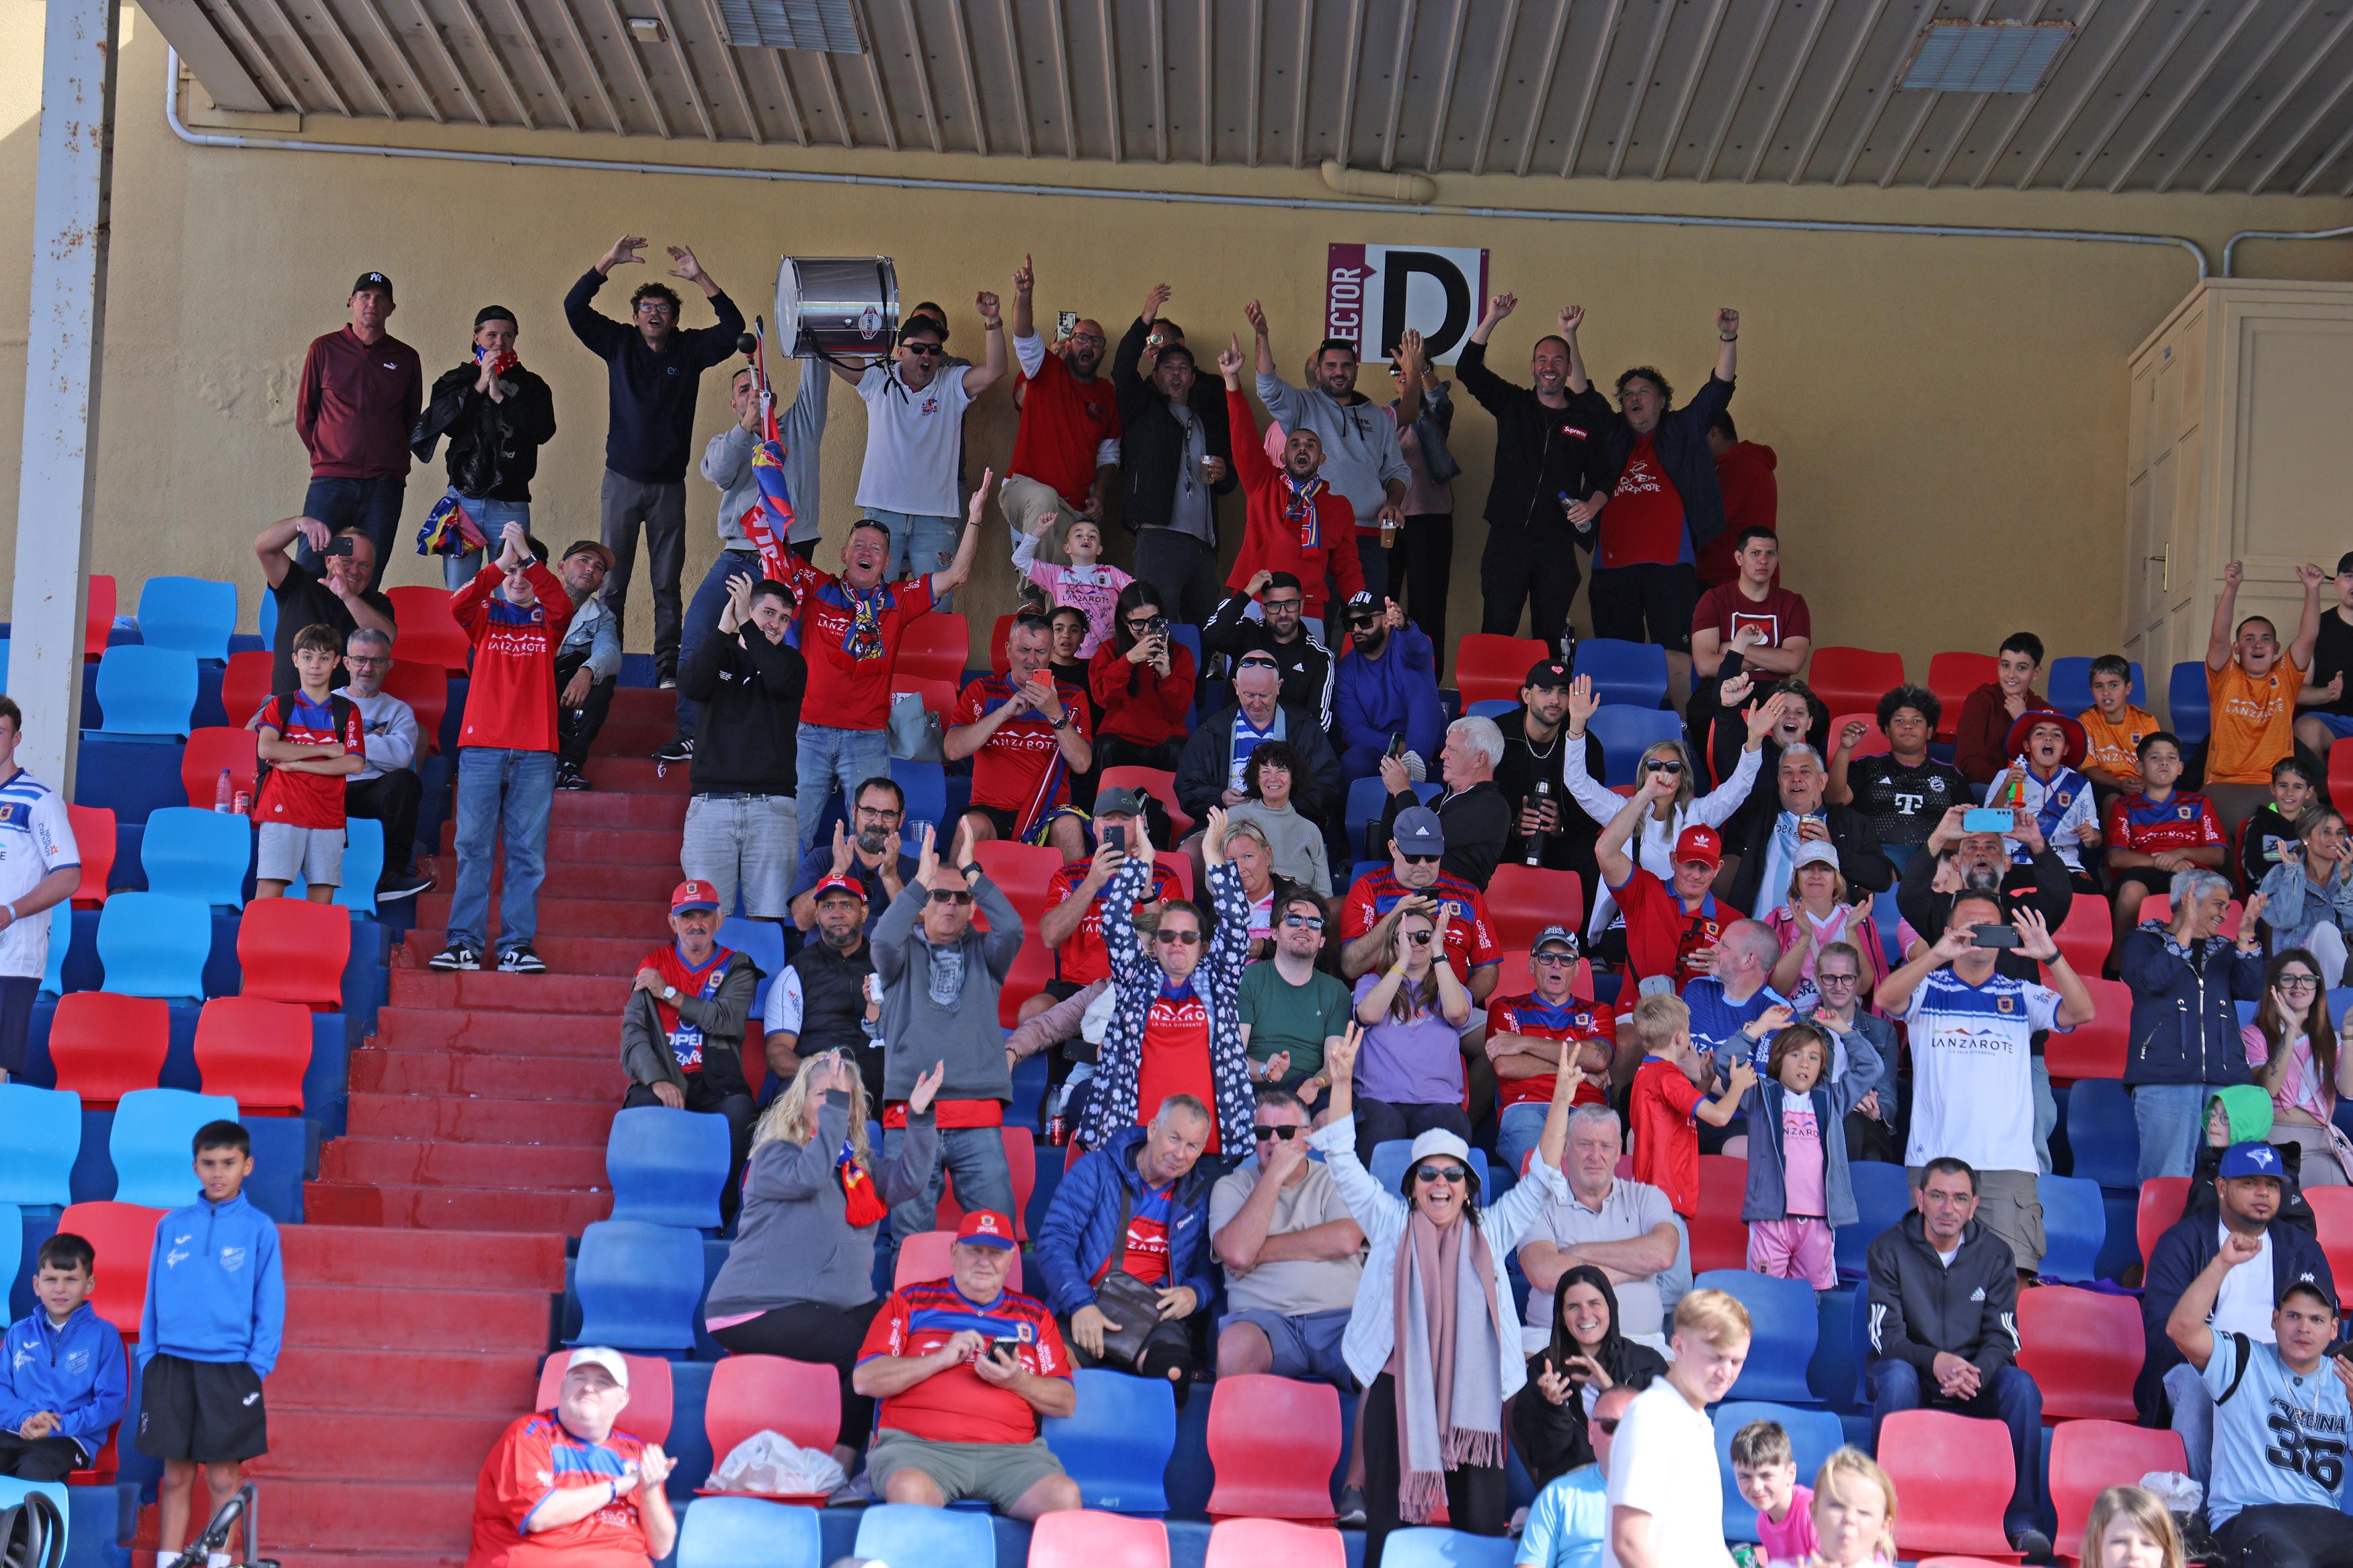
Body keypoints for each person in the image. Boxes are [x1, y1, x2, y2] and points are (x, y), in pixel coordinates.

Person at [1311, 1018, 1581, 1567]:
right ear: (1412, 1185)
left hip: (1473, 1393)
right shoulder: (1390, 1222)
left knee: (1479, 1528)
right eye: (1429, 1174)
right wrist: (1341, 1084)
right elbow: (1342, 1161)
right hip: (1397, 1387)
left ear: (1468, 1187)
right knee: (1389, 1531)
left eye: (1453, 1175)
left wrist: (1561, 1101)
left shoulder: (1493, 1230)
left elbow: (1543, 1174)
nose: (1441, 1183)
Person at [705, 1051, 943, 1475]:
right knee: (864, 1354)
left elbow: (910, 1180)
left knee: (901, 1341)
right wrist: (835, 1112)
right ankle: (839, 1470)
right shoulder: (774, 1156)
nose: (835, 1104)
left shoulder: (856, 1169)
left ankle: (900, 1457)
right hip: (754, 1307)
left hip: (828, 1305)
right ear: (801, 1102)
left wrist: (921, 1118)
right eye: (825, 1095)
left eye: (844, 1097)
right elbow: (810, 1175)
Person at [1876, 895, 2091, 1272]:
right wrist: (1936, 955)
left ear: (2004, 935)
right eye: (1969, 925)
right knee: (1930, 1279)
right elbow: (1885, 999)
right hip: (1935, 1163)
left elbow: (2082, 1012)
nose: (1979, 933)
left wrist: (2052, 956)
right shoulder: (1926, 988)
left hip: (2007, 1166)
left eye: (1989, 926)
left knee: (2011, 1279)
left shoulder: (2021, 993)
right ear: (1950, 931)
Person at [565, 235, 744, 685]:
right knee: (612, 584)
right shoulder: (619, 342)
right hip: (621, 482)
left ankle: (667, 671)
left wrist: (700, 277)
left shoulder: (689, 350)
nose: (654, 313)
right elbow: (574, 308)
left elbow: (733, 329)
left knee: (666, 585)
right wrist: (608, 261)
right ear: (635, 316)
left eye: (662, 308)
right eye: (646, 307)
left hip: (668, 486)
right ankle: (606, 668)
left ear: (674, 318)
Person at [782, 483, 986, 856]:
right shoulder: (817, 587)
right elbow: (775, 552)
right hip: (809, 733)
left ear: (887, 563)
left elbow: (957, 574)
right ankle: (794, 896)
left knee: (873, 841)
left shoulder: (898, 598)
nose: (866, 552)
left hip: (866, 738)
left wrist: (974, 519)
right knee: (792, 835)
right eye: (859, 545)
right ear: (844, 554)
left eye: (876, 549)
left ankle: (867, 896)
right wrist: (767, 476)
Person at [1862, 1156, 2048, 1557]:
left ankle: (2022, 1522)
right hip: (1913, 1374)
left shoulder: (1996, 1254)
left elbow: (2003, 1336)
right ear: (1920, 1199)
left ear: (1974, 1205)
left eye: (1960, 1198)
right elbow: (1885, 1337)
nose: (1949, 1208)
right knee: (1895, 1377)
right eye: (1938, 1196)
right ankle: (1883, 1516)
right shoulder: (1887, 1249)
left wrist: (1973, 1372)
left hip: (1972, 1381)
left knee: (2021, 1387)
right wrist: (1935, 1362)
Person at [850, 1210, 1080, 1519]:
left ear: (1010, 1259)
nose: (984, 1262)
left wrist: (1018, 1381)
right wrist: (938, 1359)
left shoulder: (1035, 1315)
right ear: (954, 1252)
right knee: (909, 1489)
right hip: (920, 1450)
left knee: (1064, 1496)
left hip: (1012, 1457)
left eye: (995, 1253)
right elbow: (864, 1380)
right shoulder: (911, 1301)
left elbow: (1066, 1402)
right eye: (975, 1251)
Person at [2139, 1137, 2336, 1482]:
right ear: (2221, 1187)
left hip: (2283, 1369)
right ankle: (2201, 1507)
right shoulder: (2182, 1243)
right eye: (2250, 1183)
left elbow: (2327, 1329)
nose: (2263, 1193)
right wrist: (2229, 1365)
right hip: (2202, 1368)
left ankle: (2312, 1506)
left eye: (2272, 1185)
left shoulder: (2301, 1247)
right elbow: (2162, 1334)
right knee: (2196, 1386)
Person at [664, 354, 828, 761]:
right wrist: (746, 427)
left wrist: (808, 335)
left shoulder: (798, 427)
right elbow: (719, 474)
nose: (754, 394)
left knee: (795, 646)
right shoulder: (725, 443)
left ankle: (799, 738)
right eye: (745, 390)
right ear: (734, 403)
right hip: (739, 556)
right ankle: (690, 731)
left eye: (761, 387)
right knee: (698, 630)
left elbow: (816, 381)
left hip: (790, 559)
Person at [137, 1121, 286, 1567]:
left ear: (247, 1166)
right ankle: (168, 1563)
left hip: (230, 1369)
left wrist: (255, 1366)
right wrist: (149, 1356)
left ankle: (218, 1564)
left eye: (228, 1163)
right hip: (171, 1365)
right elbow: (152, 1296)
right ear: (195, 1167)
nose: (218, 1173)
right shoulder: (171, 1224)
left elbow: (270, 1303)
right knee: (176, 1474)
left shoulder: (260, 1229)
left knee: (223, 1478)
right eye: (208, 1163)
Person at [1893, 805, 2075, 1167]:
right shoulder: (1943, 912)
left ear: (2007, 863)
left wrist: (2038, 845)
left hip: (2022, 1052)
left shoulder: (2024, 913)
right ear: (1957, 863)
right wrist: (1940, 836)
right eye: (1971, 847)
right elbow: (1909, 895)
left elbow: (2059, 896)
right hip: (1952, 1048)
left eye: (1991, 848)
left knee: (2030, 1154)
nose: (1981, 853)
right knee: (1950, 1156)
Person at [2164, 1221, 2353, 1564]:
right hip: (2250, 1515)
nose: (2304, 1328)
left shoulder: (2345, 1379)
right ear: (2275, 1320)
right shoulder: (2243, 1359)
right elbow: (2181, 1330)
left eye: (2316, 1319)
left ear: (2333, 1329)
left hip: (2324, 1520)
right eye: (2293, 1316)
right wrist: (2222, 1264)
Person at [430, 523, 573, 975]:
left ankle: (516, 945)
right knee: (473, 848)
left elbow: (563, 604)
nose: (518, 578)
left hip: (536, 750)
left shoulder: (548, 619)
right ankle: (464, 943)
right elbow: (457, 603)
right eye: (511, 572)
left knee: (527, 853)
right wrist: (500, 564)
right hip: (481, 748)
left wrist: (527, 557)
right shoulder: (485, 614)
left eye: (526, 570)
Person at [1074, 808, 1257, 1157]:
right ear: (1154, 943)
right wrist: (1142, 861)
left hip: (1209, 1146)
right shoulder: (1136, 977)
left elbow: (1236, 920)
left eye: (1188, 937)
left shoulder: (1219, 979)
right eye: (1168, 934)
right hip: (1137, 1145)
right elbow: (1114, 918)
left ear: (1203, 946)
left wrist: (1212, 854)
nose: (1177, 942)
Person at [871, 823, 1023, 1239]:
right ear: (924, 904)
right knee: (910, 1240)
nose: (951, 903)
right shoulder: (900, 954)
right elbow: (881, 941)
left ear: (973, 909)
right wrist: (920, 881)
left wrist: (972, 870)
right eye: (940, 895)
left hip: (977, 1113)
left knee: (996, 1238)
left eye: (962, 897)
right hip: (910, 1114)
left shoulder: (987, 953)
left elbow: (1012, 929)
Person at [1585, 313, 1742, 684]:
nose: (1634, 399)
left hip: (1671, 567)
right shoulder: (1613, 434)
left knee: (1676, 654)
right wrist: (1569, 334)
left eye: (1643, 392)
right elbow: (1581, 393)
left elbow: (1719, 388)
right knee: (1616, 655)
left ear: (1662, 400)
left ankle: (1681, 720)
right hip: (1612, 566)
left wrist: (1728, 338)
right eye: (1627, 395)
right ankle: (1617, 718)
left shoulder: (1682, 430)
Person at [1454, 294, 1612, 650]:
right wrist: (1492, 317)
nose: (1549, 366)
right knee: (1496, 632)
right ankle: (1491, 691)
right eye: (1542, 359)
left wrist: (1593, 505)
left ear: (1569, 369)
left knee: (1549, 639)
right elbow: (1467, 370)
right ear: (1532, 367)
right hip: (1506, 539)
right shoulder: (1513, 404)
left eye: (1558, 360)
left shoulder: (1585, 420)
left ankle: (1548, 688)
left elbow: (1603, 477)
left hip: (1556, 544)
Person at [1566, 675, 1772, 940]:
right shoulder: (1623, 811)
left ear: (1683, 777)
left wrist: (1754, 739)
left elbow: (1739, 788)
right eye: (1654, 766)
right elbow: (1577, 783)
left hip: (1680, 918)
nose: (1662, 773)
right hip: (1631, 917)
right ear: (1643, 773)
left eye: (1672, 767)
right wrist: (1577, 725)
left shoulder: (1698, 813)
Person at [834, 296, 1007, 609]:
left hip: (935, 518)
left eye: (934, 349)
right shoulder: (879, 377)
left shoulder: (951, 382)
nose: (926, 355)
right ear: (900, 351)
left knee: (936, 610)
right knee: (873, 605)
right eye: (918, 348)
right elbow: (836, 357)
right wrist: (843, 317)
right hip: (883, 512)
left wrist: (993, 320)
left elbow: (996, 370)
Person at [1036, 1098, 1217, 1385]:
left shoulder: (1198, 1196)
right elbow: (1053, 1242)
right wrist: (1080, 1304)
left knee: (1172, 1372)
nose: (1180, 1154)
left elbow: (1208, 1269)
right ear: (1153, 1129)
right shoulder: (1097, 1169)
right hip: (1089, 1302)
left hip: (1153, 1314)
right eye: (1174, 1138)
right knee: (1052, 1371)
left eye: (1192, 1146)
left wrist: (1194, 1293)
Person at [1245, 300, 1410, 602]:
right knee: (1316, 616)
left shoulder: (1378, 417)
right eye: (1331, 366)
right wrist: (1262, 336)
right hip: (1315, 533)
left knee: (1367, 618)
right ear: (1318, 371)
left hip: (1369, 537)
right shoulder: (1302, 405)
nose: (1339, 372)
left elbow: (1397, 471)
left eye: (1346, 365)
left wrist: (1394, 502)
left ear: (1356, 371)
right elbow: (1268, 387)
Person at [1211, 1087, 1367, 1391]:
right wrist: (1273, 1176)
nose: (1273, 1141)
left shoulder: (1337, 1178)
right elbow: (1238, 1254)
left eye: (1284, 1132)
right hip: (1263, 1322)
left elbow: (1346, 1239)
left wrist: (1261, 1252)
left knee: (1388, 1353)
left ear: (1308, 1138)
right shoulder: (1232, 1186)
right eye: (1263, 1133)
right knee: (1234, 1347)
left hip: (1341, 1321)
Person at [672, 572, 807, 925]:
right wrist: (723, 629)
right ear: (746, 610)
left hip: (772, 806)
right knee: (706, 919)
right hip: (710, 805)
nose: (776, 623)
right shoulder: (719, 652)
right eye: (768, 612)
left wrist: (747, 624)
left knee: (769, 918)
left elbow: (777, 678)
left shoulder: (791, 662)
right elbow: (690, 686)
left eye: (784, 618)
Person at [466, 1348, 677, 1568]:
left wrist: (649, 1489)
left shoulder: (636, 1451)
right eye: (579, 1378)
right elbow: (538, 1516)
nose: (588, 1387)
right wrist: (618, 1487)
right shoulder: (531, 1433)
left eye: (603, 1382)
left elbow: (661, 1547)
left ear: (622, 1400)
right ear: (563, 1387)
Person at [2122, 867, 2270, 1180]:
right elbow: (2151, 980)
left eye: (2227, 906)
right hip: (2165, 1076)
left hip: (2225, 1079)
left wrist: (2246, 934)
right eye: (2218, 904)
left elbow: (2251, 989)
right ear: (2188, 899)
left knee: (2226, 1178)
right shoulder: (2142, 941)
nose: (2224, 913)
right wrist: (2185, 931)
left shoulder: (2225, 949)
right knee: (2169, 1178)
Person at [1515, 1105, 1686, 1360]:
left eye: (1606, 1146)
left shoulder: (1647, 1197)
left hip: (1640, 1343)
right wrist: (1633, 1269)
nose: (1596, 1156)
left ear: (1618, 1151)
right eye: (1585, 1144)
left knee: (1678, 1382)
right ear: (1565, 1148)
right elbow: (1543, 1271)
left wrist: (1577, 1252)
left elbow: (1663, 1254)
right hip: (1551, 1339)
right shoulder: (1536, 1202)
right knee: (1517, 1377)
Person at [619, 878, 758, 1189]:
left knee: (741, 1113)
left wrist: (668, 993)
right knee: (641, 1105)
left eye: (704, 915)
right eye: (687, 916)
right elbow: (633, 1032)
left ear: (718, 920)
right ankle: (647, 1204)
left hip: (718, 1082)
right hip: (666, 1076)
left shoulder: (737, 965)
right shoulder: (653, 964)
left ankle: (724, 1210)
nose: (696, 924)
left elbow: (726, 1021)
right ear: (673, 922)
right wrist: (656, 1080)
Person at [1218, 337, 1366, 623]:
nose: (1302, 449)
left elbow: (1347, 567)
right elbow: (1243, 438)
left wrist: (1360, 602)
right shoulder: (1264, 485)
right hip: (1256, 600)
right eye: (1295, 444)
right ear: (1283, 457)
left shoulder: (1339, 507)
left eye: (1311, 445)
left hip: (1307, 607)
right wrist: (1232, 382)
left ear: (1322, 459)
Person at [1111, 286, 1236, 623]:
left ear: (1193, 378)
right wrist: (1145, 320)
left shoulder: (1206, 419)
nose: (1177, 373)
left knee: (1204, 630)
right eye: (1168, 367)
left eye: (1183, 368)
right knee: (1157, 624)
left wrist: (1224, 472)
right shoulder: (1144, 409)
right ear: (1155, 375)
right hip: (1159, 536)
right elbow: (1122, 371)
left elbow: (1230, 479)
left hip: (1203, 542)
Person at [411, 305, 559, 589]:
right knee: (460, 592)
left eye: (507, 335)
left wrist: (501, 398)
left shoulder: (532, 385)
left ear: (515, 338)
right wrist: (479, 384)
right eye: (492, 335)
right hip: (464, 498)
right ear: (476, 337)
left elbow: (543, 431)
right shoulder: (454, 380)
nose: (499, 342)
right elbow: (446, 426)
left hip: (511, 502)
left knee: (512, 592)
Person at [1603, 1288, 1752, 1568]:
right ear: (1679, 1347)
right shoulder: (1652, 1417)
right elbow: (1629, 1542)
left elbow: (1708, 1546)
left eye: (1736, 1361)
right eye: (1715, 1357)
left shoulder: (1696, 1422)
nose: (1726, 1373)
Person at [294, 272, 420, 585]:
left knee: (365, 572)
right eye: (365, 296)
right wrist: (332, 454)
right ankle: (314, 622)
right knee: (313, 567)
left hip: (382, 486)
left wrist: (389, 460)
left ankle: (353, 622)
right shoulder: (324, 349)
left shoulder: (405, 358)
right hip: (331, 483)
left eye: (380, 298)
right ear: (351, 303)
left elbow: (410, 419)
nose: (371, 303)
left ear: (391, 308)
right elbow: (306, 415)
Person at [1740, 1022, 1882, 1288]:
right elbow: (1725, 1063)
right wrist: (1758, 1029)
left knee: (1810, 1298)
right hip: (1771, 1219)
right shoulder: (1760, 1096)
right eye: (1796, 1054)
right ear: (1777, 1058)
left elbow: (1872, 1068)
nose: (1805, 1063)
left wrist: (1843, 1030)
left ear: (1822, 1067)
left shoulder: (1832, 1099)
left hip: (1819, 1220)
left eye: (1814, 1057)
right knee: (1765, 1295)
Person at [945, 612, 1094, 860]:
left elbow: (1082, 764)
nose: (1032, 660)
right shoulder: (983, 690)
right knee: (969, 825)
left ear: (1052, 653)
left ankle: (1074, 887)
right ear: (1008, 650)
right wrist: (1004, 713)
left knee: (1069, 825)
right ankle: (950, 887)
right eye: (1023, 650)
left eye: (1041, 652)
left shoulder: (1071, 696)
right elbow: (953, 750)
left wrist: (1055, 714)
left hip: (1048, 811)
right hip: (991, 810)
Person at [1348, 888, 1482, 1159]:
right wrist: (1402, 961)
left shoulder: (1449, 986)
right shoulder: (1371, 983)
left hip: (1439, 1102)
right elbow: (1369, 1014)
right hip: (1379, 1100)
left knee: (1447, 1129)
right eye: (1404, 937)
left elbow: (1458, 1013)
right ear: (1393, 943)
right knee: (1383, 1128)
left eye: (1423, 936)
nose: (1415, 943)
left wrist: (1438, 952)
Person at [1000, 256, 1121, 556]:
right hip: (1024, 492)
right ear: (1068, 344)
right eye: (1081, 338)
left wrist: (1101, 494)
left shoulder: (1106, 394)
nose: (1088, 345)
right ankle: (1031, 583)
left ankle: (1040, 587)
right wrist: (1024, 294)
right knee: (1045, 500)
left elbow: (1109, 455)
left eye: (1096, 341)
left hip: (1075, 508)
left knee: (1066, 579)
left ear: (1103, 351)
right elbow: (1023, 335)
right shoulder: (1046, 369)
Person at [1510, 1265, 1667, 1491]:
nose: (1585, 1314)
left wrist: (1611, 1391)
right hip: (1572, 1491)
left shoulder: (1646, 1363)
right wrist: (1554, 1408)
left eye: (1594, 1304)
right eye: (1573, 1306)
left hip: (1636, 1484)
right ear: (1562, 1317)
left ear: (1610, 1307)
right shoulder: (1541, 1371)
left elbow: (1660, 1442)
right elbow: (1543, 1457)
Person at [2208, 559, 2329, 836]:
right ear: (2237, 647)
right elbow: (2218, 638)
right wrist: (2231, 587)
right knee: (2225, 846)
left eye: (2265, 639)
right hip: (2227, 784)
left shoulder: (2285, 676)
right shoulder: (2225, 676)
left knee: (2318, 836)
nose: (2258, 644)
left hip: (2280, 785)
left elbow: (2308, 638)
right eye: (2249, 639)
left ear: (2276, 647)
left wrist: (2313, 590)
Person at [1486, 927, 1617, 1178]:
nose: (1556, 965)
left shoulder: (1598, 1011)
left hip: (1586, 1111)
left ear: (1577, 969)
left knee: (1592, 1180)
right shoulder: (1507, 1007)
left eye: (1566, 959)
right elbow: (1506, 1065)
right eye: (1546, 957)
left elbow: (1598, 1057)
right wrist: (1579, 1071)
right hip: (1527, 1107)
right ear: (1532, 964)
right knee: (1545, 1176)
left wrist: (1525, 1043)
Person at [251, 622, 366, 902]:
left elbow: (354, 764)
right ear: (295, 660)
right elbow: (267, 748)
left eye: (324, 658)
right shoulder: (281, 704)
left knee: (321, 902)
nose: (315, 665)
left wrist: (297, 764)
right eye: (307, 657)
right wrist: (325, 750)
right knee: (269, 896)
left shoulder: (348, 710)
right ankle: (263, 937)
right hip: (281, 810)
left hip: (328, 814)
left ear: (336, 662)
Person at [0, 1233, 124, 1481]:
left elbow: (111, 1403)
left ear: (89, 1284)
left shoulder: (104, 1335)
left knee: (34, 1469)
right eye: (51, 1279)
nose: (60, 1289)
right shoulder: (19, 1332)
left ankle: (33, 1510)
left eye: (71, 1279)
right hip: (17, 1432)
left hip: (71, 1440)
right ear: (37, 1285)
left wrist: (59, 1426)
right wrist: (26, 1417)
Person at [1597, 794, 1742, 1003]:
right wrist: (1646, 794)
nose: (1696, 875)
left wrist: (1723, 971)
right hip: (1638, 1012)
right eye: (1690, 865)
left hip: (1697, 1017)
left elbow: (1747, 988)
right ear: (1674, 860)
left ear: (1718, 869)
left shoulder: (1734, 922)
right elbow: (1605, 851)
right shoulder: (1644, 890)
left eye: (1704, 868)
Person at [1724, 743, 1895, 916]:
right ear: (1779, 781)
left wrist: (1832, 850)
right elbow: (1727, 766)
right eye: (1787, 773)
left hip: (1825, 932)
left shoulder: (1851, 823)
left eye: (1805, 772)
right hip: (1762, 929)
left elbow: (1881, 878)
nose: (1796, 778)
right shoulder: (1758, 815)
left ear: (1822, 781)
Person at [0, 697, 76, 1084]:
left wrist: (10, 912)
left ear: (17, 739)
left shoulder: (38, 799)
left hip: (11, 958)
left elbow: (68, 876)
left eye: (0, 732)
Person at [1627, 994, 1753, 1218]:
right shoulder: (1668, 1077)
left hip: (1654, 1193)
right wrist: (1738, 1085)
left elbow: (1680, 1112)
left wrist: (1705, 1082)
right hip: (1665, 1195)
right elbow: (1719, 1116)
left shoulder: (1649, 1071)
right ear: (1680, 1037)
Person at [1176, 659, 1341, 827]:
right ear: (1236, 686)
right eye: (1249, 695)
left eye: (1264, 695)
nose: (1256, 704)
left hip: (1287, 825)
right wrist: (1220, 798)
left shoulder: (1304, 729)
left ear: (1278, 687)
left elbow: (1326, 788)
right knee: (1189, 845)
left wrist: (1279, 805)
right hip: (1225, 824)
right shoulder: (1212, 730)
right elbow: (1187, 788)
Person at [765, 875, 886, 1105]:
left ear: (863, 913)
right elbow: (778, 1053)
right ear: (817, 914)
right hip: (818, 1083)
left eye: (847, 905)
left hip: (878, 1082)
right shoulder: (797, 971)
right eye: (828, 906)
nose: (836, 913)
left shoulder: (886, 964)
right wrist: (819, 1074)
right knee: (790, 1095)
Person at [335, 627, 434, 901]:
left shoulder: (399, 711)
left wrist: (349, 742)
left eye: (376, 661)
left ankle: (391, 875)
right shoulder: (326, 703)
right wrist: (376, 742)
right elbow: (316, 750)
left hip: (373, 791)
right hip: (331, 787)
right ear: (347, 663)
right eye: (360, 660)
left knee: (405, 780)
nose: (367, 668)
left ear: (389, 665)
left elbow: (401, 756)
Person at [2106, 731, 2226, 952]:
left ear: (2180, 768)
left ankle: (2206, 961)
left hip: (2192, 871)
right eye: (2155, 757)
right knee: (2131, 892)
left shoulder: (2199, 803)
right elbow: (2116, 857)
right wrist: (2164, 862)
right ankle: (2118, 964)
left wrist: (2180, 853)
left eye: (2171, 758)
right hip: (2144, 870)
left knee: (2209, 893)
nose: (2164, 762)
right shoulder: (2125, 805)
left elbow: (2218, 855)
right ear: (2140, 767)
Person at [1827, 685, 1966, 872]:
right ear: (1886, 730)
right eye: (1899, 720)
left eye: (1917, 721)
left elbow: (1970, 825)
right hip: (1877, 856)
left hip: (1936, 859)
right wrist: (1845, 748)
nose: (1908, 726)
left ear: (1930, 731)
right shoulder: (1867, 766)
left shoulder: (1950, 775)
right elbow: (1835, 800)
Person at [252, 515, 397, 694]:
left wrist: (348, 597)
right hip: (286, 705)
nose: (355, 571)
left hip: (347, 708)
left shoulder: (378, 603)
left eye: (364, 565)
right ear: (329, 561)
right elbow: (264, 548)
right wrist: (299, 524)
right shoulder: (299, 583)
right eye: (347, 561)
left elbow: (385, 638)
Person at [2245, 951, 2353, 1184]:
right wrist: (2290, 1030)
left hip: (2319, 1145)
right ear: (2274, 987)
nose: (2299, 986)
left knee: (2337, 1202)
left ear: (2318, 987)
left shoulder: (2332, 1040)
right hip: (2271, 1142)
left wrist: (2349, 1037)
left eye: (2308, 979)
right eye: (2288, 979)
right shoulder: (2254, 1035)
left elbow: (2348, 1090)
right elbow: (2268, 1089)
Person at [1384, 329, 1458, 665]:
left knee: (1427, 605)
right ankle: (1383, 673)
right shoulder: (1384, 417)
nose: (1404, 375)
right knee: (1382, 602)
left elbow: (1439, 400)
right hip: (1387, 522)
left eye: (1409, 370)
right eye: (1398, 371)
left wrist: (1420, 369)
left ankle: (1427, 677)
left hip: (1430, 521)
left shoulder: (1433, 413)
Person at [1238, 886, 1353, 1100]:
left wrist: (1317, 1084)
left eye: (1314, 923)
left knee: (1335, 1115)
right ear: (1274, 932)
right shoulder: (1248, 979)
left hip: (1312, 1091)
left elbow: (1333, 1065)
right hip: (1257, 1090)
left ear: (1322, 940)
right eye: (1293, 920)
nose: (1304, 927)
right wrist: (1265, 1071)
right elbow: (1233, 1056)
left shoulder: (1337, 992)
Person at [1496, 659, 1606, 876]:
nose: (1555, 700)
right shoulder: (1499, 734)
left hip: (1562, 843)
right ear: (1527, 695)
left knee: (1593, 855)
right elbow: (1477, 797)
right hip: (1504, 838)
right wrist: (1513, 825)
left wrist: (1561, 827)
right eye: (1546, 691)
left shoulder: (1588, 745)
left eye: (1563, 692)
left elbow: (1594, 811)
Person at [1380, 716, 1515, 892]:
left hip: (1450, 901)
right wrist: (1393, 792)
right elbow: (1385, 849)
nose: (1443, 755)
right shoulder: (1439, 801)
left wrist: (1402, 788)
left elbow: (1420, 840)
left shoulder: (1493, 807)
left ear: (1479, 759)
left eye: (1452, 749)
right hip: (1404, 894)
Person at [1334, 593, 1446, 804]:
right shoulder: (1345, 670)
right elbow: (1353, 730)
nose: (1357, 629)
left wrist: (1405, 625)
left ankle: (1417, 761)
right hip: (1383, 751)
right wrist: (1401, 749)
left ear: (1387, 620)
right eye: (1351, 624)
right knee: (1353, 761)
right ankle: (1413, 762)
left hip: (1429, 746)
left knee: (1421, 682)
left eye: (1364, 621)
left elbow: (1420, 648)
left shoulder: (1407, 648)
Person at [1515, 1383, 1636, 1568]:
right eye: (1611, 1426)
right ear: (1592, 1431)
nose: (1622, 1435)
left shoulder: (1672, 1495)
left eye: (1631, 1425)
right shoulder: (1558, 1494)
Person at [1808, 940, 1902, 1164]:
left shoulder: (1882, 1031)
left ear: (1858, 980)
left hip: (1865, 1125)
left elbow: (1887, 1094)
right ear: (1817, 979)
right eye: (1829, 978)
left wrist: (1876, 1111)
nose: (1838, 986)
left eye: (1847, 978)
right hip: (1813, 1123)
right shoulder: (1801, 1027)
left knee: (1852, 1127)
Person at [1202, 572, 1336, 727]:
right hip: (1236, 736)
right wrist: (1247, 593)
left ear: (1301, 606)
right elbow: (1212, 634)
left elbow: (1319, 722)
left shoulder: (1319, 656)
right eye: (1274, 605)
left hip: (1291, 740)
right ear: (1263, 609)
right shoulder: (1247, 632)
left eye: (1291, 604)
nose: (1283, 613)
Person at [1983, 712, 2102, 885]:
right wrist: (2006, 787)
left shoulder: (2079, 783)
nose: (2048, 738)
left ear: (2065, 749)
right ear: (2027, 746)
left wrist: (2092, 837)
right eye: (2040, 733)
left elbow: (2094, 838)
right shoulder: (2006, 777)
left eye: (2057, 735)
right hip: (2014, 862)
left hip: (2065, 865)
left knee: (2090, 893)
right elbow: (1986, 827)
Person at [1088, 584, 1195, 774]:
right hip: (1120, 739)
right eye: (1138, 622)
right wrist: (1127, 661)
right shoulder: (1108, 650)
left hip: (1165, 742)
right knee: (1105, 746)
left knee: (1178, 748)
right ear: (1124, 621)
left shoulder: (1181, 654)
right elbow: (1104, 699)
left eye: (1154, 621)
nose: (1146, 629)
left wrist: (1166, 676)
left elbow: (1178, 712)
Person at [1763, 845, 1885, 1010]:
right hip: (1794, 1018)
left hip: (1845, 1019)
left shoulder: (1859, 919)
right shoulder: (1779, 920)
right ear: (1796, 879)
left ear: (1836, 880)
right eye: (1807, 868)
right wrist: (1805, 938)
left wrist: (1851, 932)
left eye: (1825, 869)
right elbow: (1775, 990)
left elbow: (1863, 988)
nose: (1816, 875)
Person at [787, 780, 916, 934]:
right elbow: (802, 921)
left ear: (901, 819)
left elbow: (918, 930)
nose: (878, 822)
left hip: (885, 951)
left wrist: (891, 877)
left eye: (888, 814)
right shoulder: (822, 858)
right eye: (869, 811)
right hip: (826, 950)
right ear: (854, 812)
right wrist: (837, 872)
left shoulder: (915, 869)